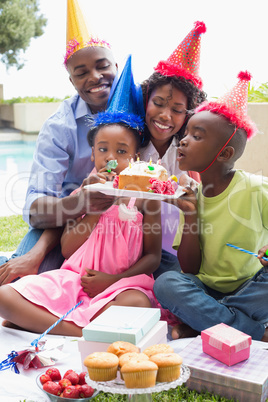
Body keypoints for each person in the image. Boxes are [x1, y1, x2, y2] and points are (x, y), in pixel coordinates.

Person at [0, 55, 166, 336]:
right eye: (102, 150)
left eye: (121, 152)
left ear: (136, 156)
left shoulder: (145, 197)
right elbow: (66, 249)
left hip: (120, 284)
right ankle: (82, 331)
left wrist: (113, 279)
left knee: (138, 304)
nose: (110, 158)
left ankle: (50, 324)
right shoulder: (85, 191)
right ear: (92, 153)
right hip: (74, 278)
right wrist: (93, 207)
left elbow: (152, 256)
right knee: (4, 296)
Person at [0, 0, 118, 284]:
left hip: (121, 225)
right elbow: (37, 208)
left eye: (102, 66)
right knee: (21, 286)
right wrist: (80, 203)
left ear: (116, 65)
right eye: (81, 73)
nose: (95, 77)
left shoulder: (139, 109)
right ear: (71, 81)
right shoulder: (59, 127)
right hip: (62, 224)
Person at [153, 71, 268, 342]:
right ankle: (254, 332)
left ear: (224, 153)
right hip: (205, 289)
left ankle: (202, 323)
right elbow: (190, 269)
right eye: (187, 133)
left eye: (197, 135)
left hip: (252, 287)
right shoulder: (191, 196)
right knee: (166, 284)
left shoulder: (255, 188)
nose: (183, 140)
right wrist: (190, 214)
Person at [139, 22, 206, 271]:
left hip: (175, 246)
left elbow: (196, 196)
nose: (166, 116)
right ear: (146, 99)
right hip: (133, 243)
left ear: (187, 115)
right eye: (158, 103)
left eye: (177, 110)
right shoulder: (131, 146)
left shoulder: (185, 153)